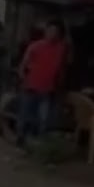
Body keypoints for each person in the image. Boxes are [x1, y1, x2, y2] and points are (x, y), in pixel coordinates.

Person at [14, 20, 68, 148]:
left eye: (55, 32)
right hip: (31, 87)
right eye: (50, 31)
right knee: (25, 115)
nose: (52, 34)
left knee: (43, 119)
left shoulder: (61, 49)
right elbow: (23, 64)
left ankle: (38, 144)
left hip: (47, 89)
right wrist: (23, 77)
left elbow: (60, 68)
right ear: (45, 32)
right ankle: (20, 139)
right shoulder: (35, 46)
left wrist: (60, 82)